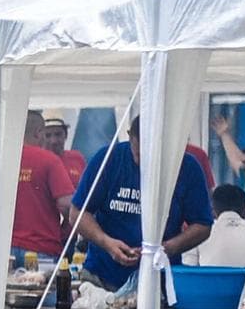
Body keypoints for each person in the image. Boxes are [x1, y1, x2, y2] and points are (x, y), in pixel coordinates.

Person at [69, 118, 215, 295]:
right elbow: (77, 213)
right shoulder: (108, 158)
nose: (146, 163)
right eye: (139, 155)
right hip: (103, 278)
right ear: (130, 136)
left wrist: (168, 248)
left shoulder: (187, 167)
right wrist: (107, 243)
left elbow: (203, 224)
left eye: (153, 156)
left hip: (161, 281)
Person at [9, 113, 82, 265]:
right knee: (43, 288)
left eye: (58, 134)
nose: (53, 140)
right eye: (48, 135)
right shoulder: (50, 161)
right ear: (39, 133)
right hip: (44, 246)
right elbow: (67, 206)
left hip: (6, 249)